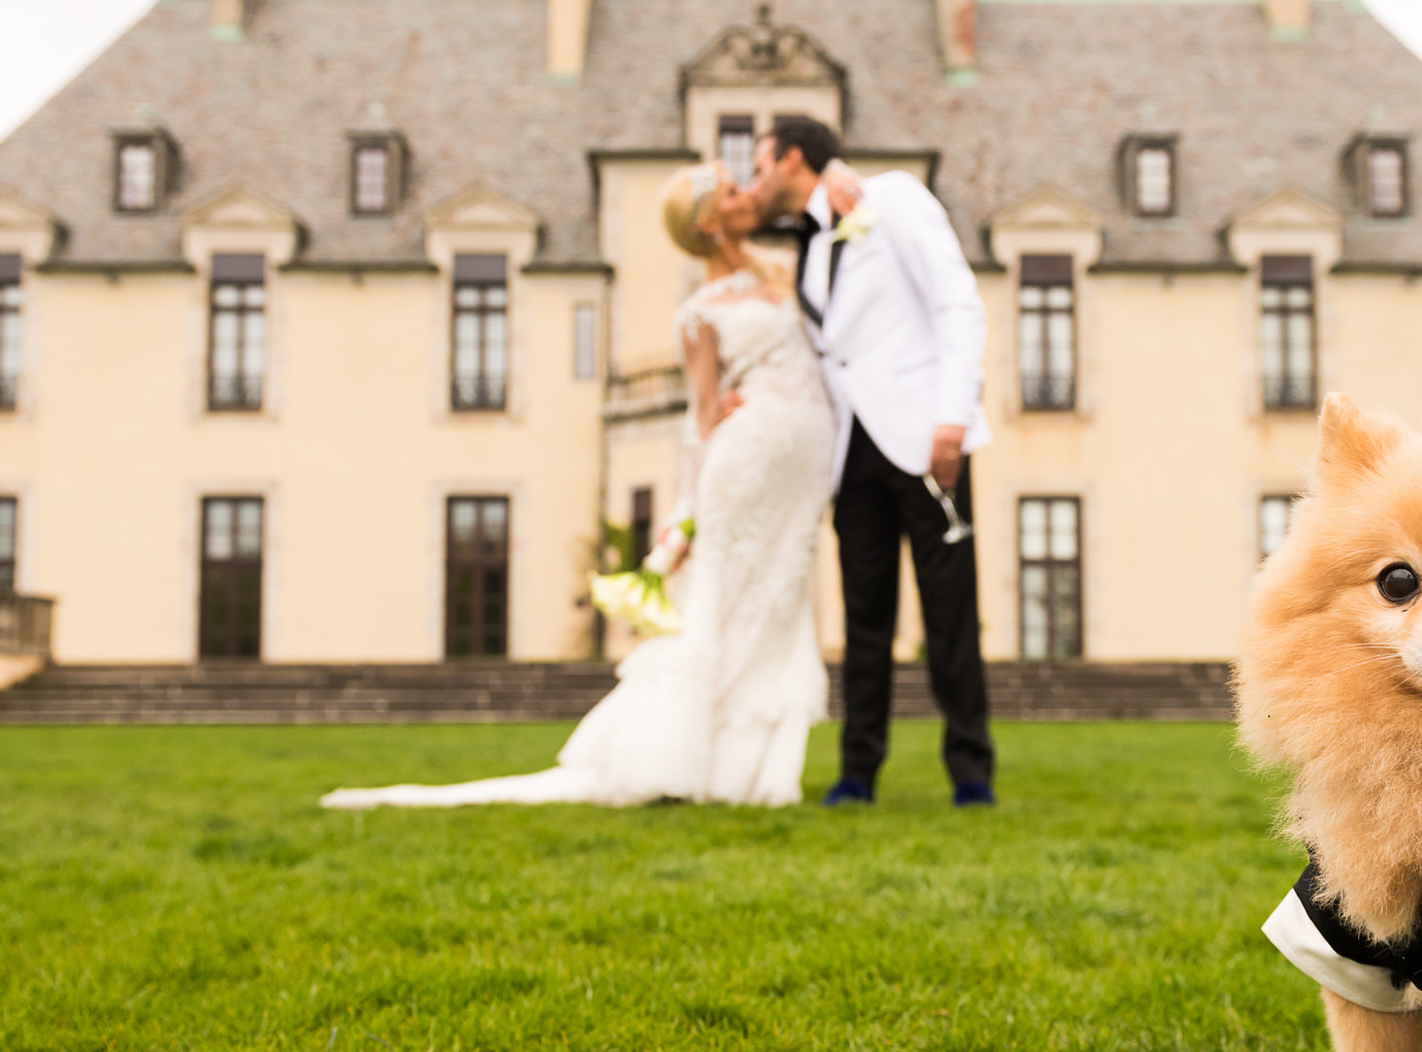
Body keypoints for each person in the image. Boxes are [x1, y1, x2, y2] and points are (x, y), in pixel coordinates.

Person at [320, 161, 856, 808]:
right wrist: (685, 512)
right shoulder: (699, 312)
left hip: (799, 472)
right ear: (711, 222)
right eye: (734, 191)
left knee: (776, 604)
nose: (751, 194)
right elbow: (701, 418)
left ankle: (757, 766)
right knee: (723, 601)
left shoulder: (783, 273)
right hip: (745, 466)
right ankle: (688, 757)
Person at [746, 116, 996, 808]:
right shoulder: (808, 240)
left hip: (924, 438)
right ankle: (858, 770)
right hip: (851, 448)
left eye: (761, 165)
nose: (756, 181)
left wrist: (952, 417)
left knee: (949, 611)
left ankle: (971, 771)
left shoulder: (894, 199)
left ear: (795, 158)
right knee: (864, 615)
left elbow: (957, 301)